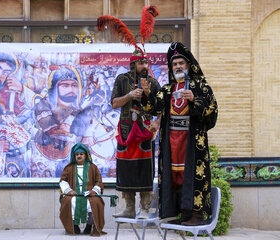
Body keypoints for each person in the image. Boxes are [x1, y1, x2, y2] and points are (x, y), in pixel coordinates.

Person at [141, 42, 218, 225]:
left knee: (192, 174)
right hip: (172, 141)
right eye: (174, 64)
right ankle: (181, 214)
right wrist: (146, 94)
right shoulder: (167, 89)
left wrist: (194, 100)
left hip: (192, 141)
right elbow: (153, 108)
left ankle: (197, 216)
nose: (177, 67)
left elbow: (212, 109)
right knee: (175, 176)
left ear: (188, 65)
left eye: (181, 63)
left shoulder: (200, 86)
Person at [111, 48, 161, 219]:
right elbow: (114, 103)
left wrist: (157, 123)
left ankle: (145, 209)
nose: (144, 66)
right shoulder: (121, 79)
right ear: (133, 65)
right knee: (126, 169)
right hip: (125, 130)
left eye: (146, 62)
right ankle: (129, 208)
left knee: (145, 169)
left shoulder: (153, 83)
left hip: (145, 130)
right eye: (141, 63)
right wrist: (130, 95)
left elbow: (162, 107)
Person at [59, 143, 106, 236]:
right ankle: (74, 227)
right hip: (73, 194)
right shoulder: (69, 168)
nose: (79, 156)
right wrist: (69, 191)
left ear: (85, 155)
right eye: (77, 154)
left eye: (81, 154)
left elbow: (99, 181)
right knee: (69, 201)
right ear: (74, 156)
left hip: (89, 194)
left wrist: (93, 191)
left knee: (95, 202)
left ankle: (89, 227)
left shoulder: (93, 167)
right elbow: (63, 181)